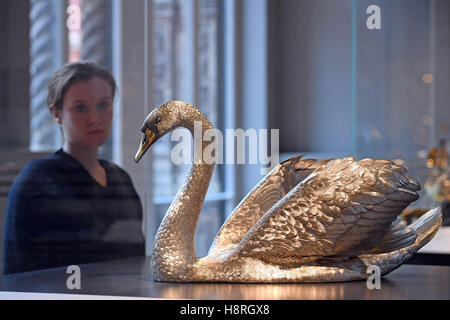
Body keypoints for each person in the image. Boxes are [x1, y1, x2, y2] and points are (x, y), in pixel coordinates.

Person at [2, 61, 145, 274]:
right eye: (80, 108)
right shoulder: (37, 180)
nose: (95, 119)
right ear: (57, 113)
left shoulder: (120, 179)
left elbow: (135, 264)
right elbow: (16, 272)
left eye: (103, 105)